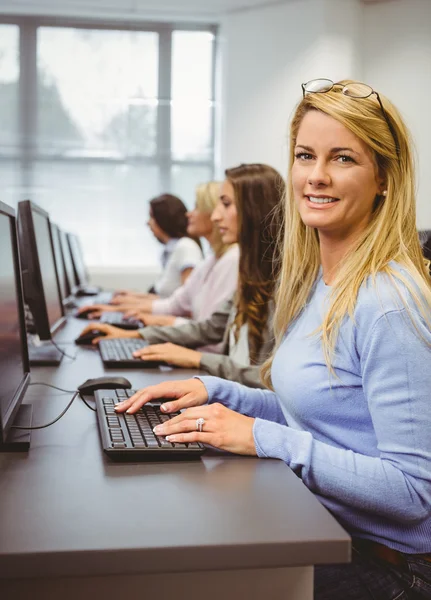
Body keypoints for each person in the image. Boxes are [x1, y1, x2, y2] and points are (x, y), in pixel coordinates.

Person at [114, 80, 431, 598]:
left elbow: (416, 494)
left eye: (343, 158)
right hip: (332, 533)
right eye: (305, 155)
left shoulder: (387, 304)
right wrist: (219, 395)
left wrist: (261, 437)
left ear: (385, 181)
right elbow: (323, 419)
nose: (316, 176)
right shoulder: (323, 284)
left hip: (392, 568)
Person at [80, 163, 284, 387]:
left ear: (255, 210)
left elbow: (271, 380)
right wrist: (137, 336)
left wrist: (197, 359)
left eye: (226, 204)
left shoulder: (280, 283)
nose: (216, 216)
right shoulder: (250, 274)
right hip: (232, 392)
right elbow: (209, 328)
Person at [80, 183, 239, 348]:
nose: (189, 214)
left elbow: (206, 329)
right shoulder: (211, 260)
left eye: (197, 207)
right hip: (195, 346)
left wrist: (145, 325)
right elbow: (176, 305)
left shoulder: (230, 259)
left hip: (201, 351)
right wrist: (120, 312)